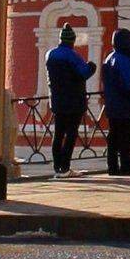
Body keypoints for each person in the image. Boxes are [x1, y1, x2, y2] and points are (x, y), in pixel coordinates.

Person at [45, 25, 95, 177]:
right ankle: (65, 168)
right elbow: (84, 73)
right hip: (73, 101)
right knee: (71, 134)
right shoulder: (73, 56)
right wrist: (92, 66)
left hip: (57, 100)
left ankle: (57, 167)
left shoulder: (50, 55)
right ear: (72, 41)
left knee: (58, 134)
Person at [100, 27, 130, 176]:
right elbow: (129, 82)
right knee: (126, 135)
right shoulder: (124, 59)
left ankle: (113, 166)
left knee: (114, 136)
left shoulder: (110, 58)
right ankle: (126, 166)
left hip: (113, 103)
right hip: (125, 104)